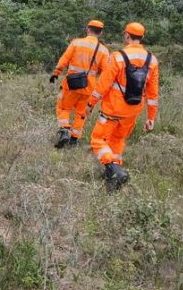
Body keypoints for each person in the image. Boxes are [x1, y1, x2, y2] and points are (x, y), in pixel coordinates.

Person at [86, 22, 159, 191]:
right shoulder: (152, 60)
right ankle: (112, 176)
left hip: (112, 110)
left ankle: (115, 170)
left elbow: (103, 84)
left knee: (97, 140)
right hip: (132, 112)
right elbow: (153, 93)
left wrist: (91, 103)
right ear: (142, 38)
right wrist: (151, 117)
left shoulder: (118, 57)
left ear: (127, 35)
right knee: (118, 140)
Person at [49, 20, 110, 148]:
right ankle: (74, 140)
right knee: (82, 113)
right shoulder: (104, 51)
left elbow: (65, 58)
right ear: (101, 33)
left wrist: (56, 72)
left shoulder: (76, 43)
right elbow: (105, 72)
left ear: (87, 29)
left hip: (71, 83)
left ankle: (64, 130)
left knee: (63, 107)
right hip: (89, 86)